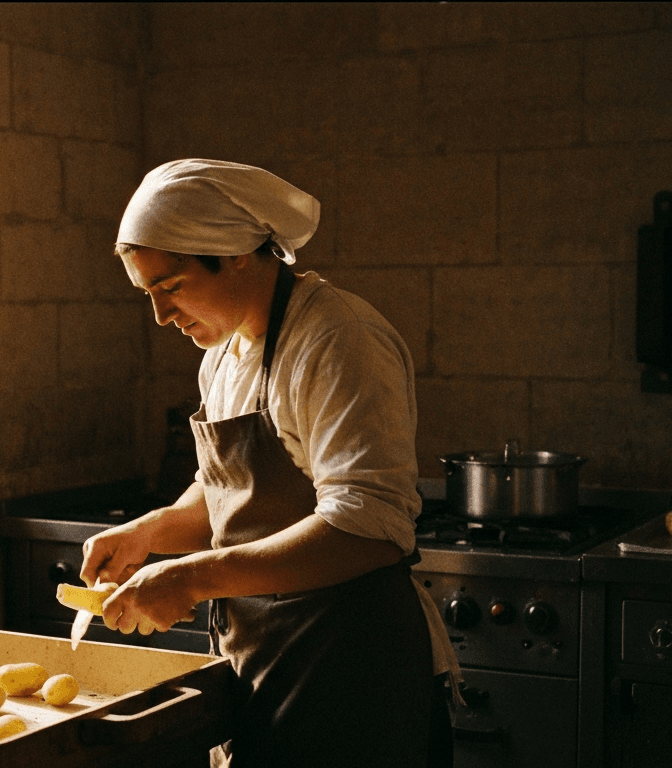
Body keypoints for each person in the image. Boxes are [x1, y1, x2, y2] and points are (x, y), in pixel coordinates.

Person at [80, 159, 461, 767]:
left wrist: (191, 577)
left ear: (232, 254)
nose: (160, 315)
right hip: (264, 664)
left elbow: (369, 529)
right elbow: (227, 489)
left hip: (351, 677)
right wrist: (148, 534)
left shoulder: (337, 339)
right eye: (146, 293)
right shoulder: (224, 351)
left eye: (170, 286)